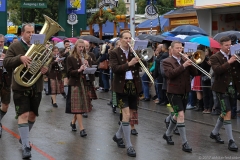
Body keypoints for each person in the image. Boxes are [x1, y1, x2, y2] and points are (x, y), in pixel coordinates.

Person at [3, 24, 49, 159]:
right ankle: (25, 146)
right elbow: (6, 62)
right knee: (23, 115)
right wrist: (20, 58)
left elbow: (47, 60)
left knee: (33, 116)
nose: (31, 34)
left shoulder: (40, 43)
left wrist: (46, 68)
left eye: (32, 32)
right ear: (22, 33)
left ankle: (23, 138)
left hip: (36, 85)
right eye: (28, 32)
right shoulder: (15, 46)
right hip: (20, 86)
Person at [109, 31, 143, 157]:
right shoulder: (114, 52)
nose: (128, 40)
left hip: (133, 85)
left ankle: (118, 135)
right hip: (120, 86)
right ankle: (129, 146)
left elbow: (143, 66)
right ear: (121, 39)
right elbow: (114, 69)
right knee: (126, 113)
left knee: (131, 114)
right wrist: (129, 63)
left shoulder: (134, 52)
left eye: (130, 38)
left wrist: (140, 59)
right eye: (126, 38)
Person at [162, 41, 198, 152]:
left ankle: (167, 134)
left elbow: (196, 73)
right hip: (173, 92)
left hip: (185, 91)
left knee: (177, 115)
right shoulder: (166, 61)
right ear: (171, 49)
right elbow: (170, 75)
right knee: (181, 115)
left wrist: (190, 62)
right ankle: (184, 143)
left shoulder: (184, 60)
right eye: (177, 48)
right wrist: (183, 65)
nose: (179, 50)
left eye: (181, 48)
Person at [209, 36, 238, 151]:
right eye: (226, 45)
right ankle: (231, 140)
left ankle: (214, 132)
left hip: (232, 88)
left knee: (225, 112)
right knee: (228, 112)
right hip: (221, 88)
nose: (229, 47)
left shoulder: (234, 55)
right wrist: (229, 62)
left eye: (230, 45)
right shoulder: (214, 57)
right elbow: (217, 71)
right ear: (220, 46)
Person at [66, 39, 93, 137]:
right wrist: (79, 69)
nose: (81, 49)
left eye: (83, 47)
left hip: (84, 83)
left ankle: (73, 122)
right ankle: (82, 128)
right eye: (79, 47)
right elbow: (69, 72)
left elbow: (90, 72)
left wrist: (87, 66)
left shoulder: (87, 57)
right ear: (75, 47)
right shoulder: (70, 58)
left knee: (81, 106)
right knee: (78, 107)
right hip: (75, 84)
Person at [0, 34, 11, 139]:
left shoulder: (7, 51)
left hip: (6, 80)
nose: (0, 43)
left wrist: (6, 60)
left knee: (6, 105)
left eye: (2, 41)